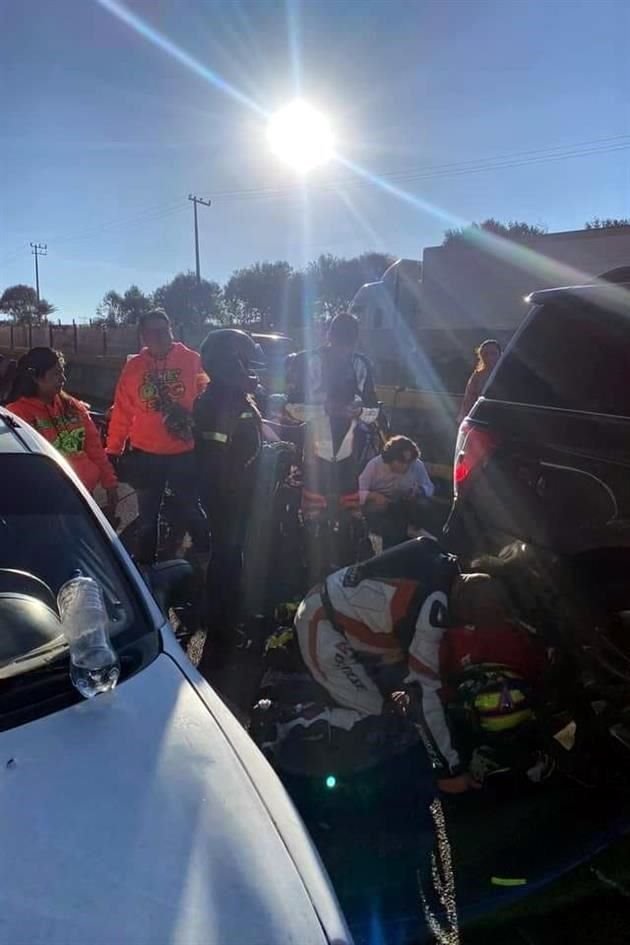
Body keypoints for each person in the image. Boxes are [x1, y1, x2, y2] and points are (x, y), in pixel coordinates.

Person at [289, 537, 513, 793]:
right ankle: (291, 722)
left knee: (400, 707)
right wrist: (449, 770)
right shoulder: (434, 608)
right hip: (323, 629)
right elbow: (424, 692)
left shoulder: (445, 561)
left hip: (336, 613)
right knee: (375, 717)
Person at [106, 309, 208, 563]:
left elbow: (207, 397)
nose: (161, 337)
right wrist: (113, 449)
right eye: (154, 332)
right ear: (143, 336)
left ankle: (205, 553)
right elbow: (122, 410)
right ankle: (144, 568)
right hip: (146, 455)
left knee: (191, 508)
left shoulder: (193, 360)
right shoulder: (134, 368)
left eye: (165, 330)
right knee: (147, 517)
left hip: (184, 453)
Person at [193, 328, 264, 675]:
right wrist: (238, 493)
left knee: (230, 560)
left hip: (235, 498)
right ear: (228, 364)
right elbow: (217, 461)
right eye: (244, 363)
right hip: (228, 502)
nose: (250, 370)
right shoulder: (221, 402)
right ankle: (222, 632)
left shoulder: (234, 397)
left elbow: (248, 443)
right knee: (227, 562)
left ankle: (222, 620)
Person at [7, 347, 118, 517]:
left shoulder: (73, 407)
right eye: (56, 374)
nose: (63, 379)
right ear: (36, 377)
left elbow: (95, 448)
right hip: (46, 502)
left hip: (84, 493)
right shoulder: (16, 415)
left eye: (63, 372)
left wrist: (110, 483)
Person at [286, 311, 377, 407]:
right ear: (330, 337)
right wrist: (327, 409)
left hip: (354, 421)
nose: (343, 351)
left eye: (348, 343)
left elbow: (372, 405)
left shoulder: (362, 365)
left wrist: (359, 411)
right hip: (312, 421)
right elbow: (293, 404)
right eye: (340, 343)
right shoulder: (305, 361)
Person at [359, 435, 436, 548]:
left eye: (408, 462)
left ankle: (414, 529)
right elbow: (358, 490)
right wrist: (373, 496)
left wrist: (420, 491)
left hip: (405, 502)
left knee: (423, 504)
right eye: (401, 462)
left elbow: (429, 487)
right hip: (380, 503)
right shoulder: (374, 465)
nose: (405, 466)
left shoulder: (417, 465)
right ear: (390, 458)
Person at [458, 339, 502, 423]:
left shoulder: (508, 373)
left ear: (500, 354)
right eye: (485, 354)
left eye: (493, 353)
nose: (489, 357)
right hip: (482, 418)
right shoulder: (477, 376)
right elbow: (468, 400)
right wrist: (463, 419)